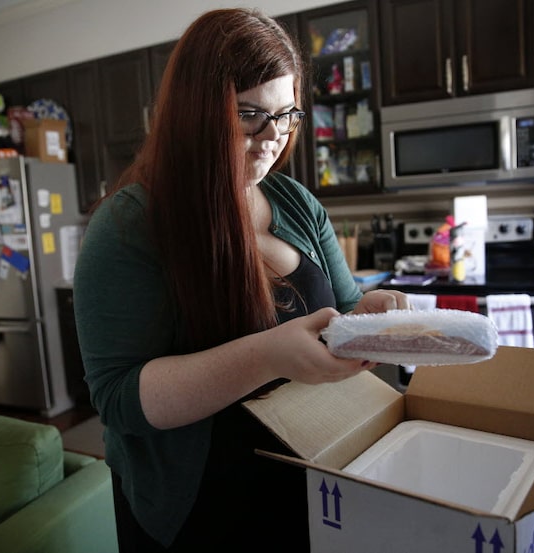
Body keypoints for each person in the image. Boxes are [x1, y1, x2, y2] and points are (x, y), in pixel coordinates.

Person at [72, 8, 409, 552]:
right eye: (249, 114)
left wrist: (375, 310)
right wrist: (265, 356)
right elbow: (118, 397)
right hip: (203, 508)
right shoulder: (131, 224)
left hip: (312, 479)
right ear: (194, 113)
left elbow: (345, 304)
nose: (272, 137)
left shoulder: (294, 202)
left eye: (287, 114)